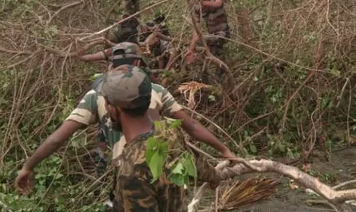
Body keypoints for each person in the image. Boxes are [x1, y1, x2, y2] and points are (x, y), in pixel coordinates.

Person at [14, 42, 236, 194]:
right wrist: (224, 150)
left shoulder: (96, 95)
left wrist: (28, 165)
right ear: (138, 63)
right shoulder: (156, 89)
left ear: (110, 64)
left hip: (128, 173)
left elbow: (57, 138)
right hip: (165, 168)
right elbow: (192, 126)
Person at [101, 65, 221, 212]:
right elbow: (195, 163)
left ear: (113, 109)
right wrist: (215, 177)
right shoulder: (168, 131)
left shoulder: (133, 172)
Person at [185, 0, 231, 66]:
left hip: (223, 34)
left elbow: (218, 4)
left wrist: (203, 2)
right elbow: (196, 30)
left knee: (202, 41)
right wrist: (190, 50)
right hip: (212, 36)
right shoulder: (198, 9)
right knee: (216, 59)